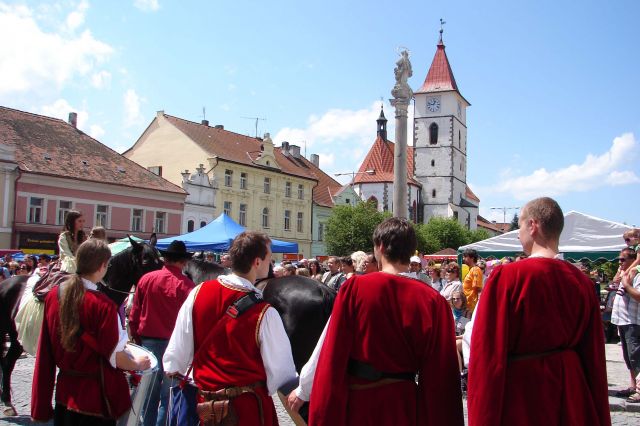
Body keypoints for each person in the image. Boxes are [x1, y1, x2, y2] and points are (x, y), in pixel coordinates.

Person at [292, 217, 463, 425]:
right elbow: (441, 375)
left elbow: (332, 352)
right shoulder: (433, 301)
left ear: (380, 247)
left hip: (361, 404)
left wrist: (314, 400)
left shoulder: (355, 288)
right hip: (405, 406)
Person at [467, 197, 610, 425]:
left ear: (533, 226)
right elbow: (594, 358)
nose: (517, 233)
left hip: (525, 394)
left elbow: (488, 355)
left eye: (520, 226)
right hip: (572, 393)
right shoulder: (582, 283)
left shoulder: (507, 277)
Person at [163, 231, 297, 426]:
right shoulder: (265, 313)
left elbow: (176, 356)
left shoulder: (197, 293)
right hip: (247, 409)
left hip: (206, 406)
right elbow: (282, 372)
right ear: (257, 262)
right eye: (269, 258)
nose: (271, 263)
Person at [32, 239, 150, 425]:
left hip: (64, 395)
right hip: (96, 401)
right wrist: (139, 364)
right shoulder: (104, 306)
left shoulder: (54, 296)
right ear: (103, 265)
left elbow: (44, 354)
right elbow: (115, 356)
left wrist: (40, 405)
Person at [128, 240, 195, 426]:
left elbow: (134, 312)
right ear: (183, 262)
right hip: (174, 346)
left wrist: (135, 337)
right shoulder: (188, 286)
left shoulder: (146, 279)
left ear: (165, 259)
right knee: (169, 396)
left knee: (148, 395)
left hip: (148, 344)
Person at [611, 247, 640, 403]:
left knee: (636, 357)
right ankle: (633, 386)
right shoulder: (626, 273)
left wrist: (627, 285)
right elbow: (615, 283)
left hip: (634, 321)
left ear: (633, 259)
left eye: (622, 259)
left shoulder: (637, 274)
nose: (619, 262)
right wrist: (620, 276)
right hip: (622, 321)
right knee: (629, 358)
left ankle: (639, 390)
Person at [461, 248, 483, 312]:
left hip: (472, 306)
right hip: (467, 305)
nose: (463, 259)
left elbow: (478, 289)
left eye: (465, 257)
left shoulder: (475, 269)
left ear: (472, 258)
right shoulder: (471, 269)